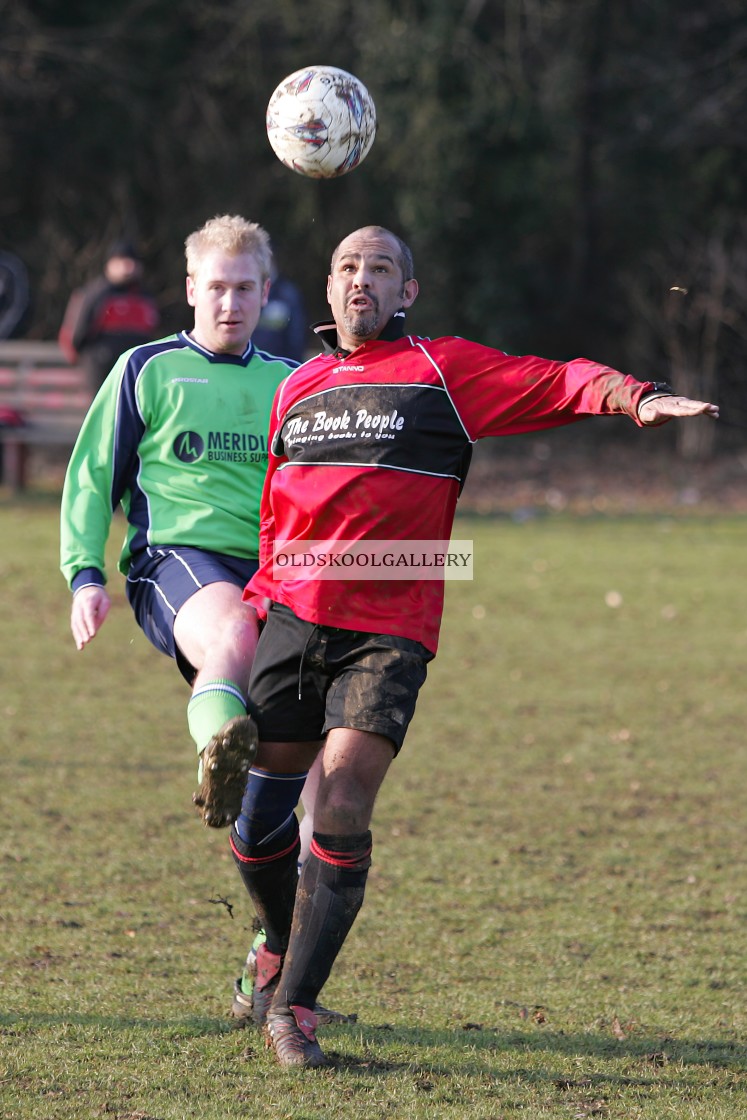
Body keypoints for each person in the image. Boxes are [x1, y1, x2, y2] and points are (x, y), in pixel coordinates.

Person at [228, 224, 719, 1068]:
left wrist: (635, 397)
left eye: (381, 270)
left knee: (341, 800)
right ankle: (274, 947)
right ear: (328, 284)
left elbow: (557, 379)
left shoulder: (442, 370)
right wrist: (256, 602)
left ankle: (293, 1014)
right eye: (348, 267)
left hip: (389, 627)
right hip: (291, 620)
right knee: (254, 829)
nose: (362, 281)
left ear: (406, 292)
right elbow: (278, 515)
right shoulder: (297, 386)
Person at [58, 238, 161, 395]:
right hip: (100, 364)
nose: (128, 267)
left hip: (136, 365)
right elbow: (76, 332)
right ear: (110, 264)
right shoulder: (96, 293)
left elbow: (152, 331)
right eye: (122, 261)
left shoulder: (145, 296)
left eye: (132, 262)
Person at [251, 265, 307, 362]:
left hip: (282, 367)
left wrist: (294, 368)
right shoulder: (246, 294)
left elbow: (296, 337)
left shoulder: (287, 294)